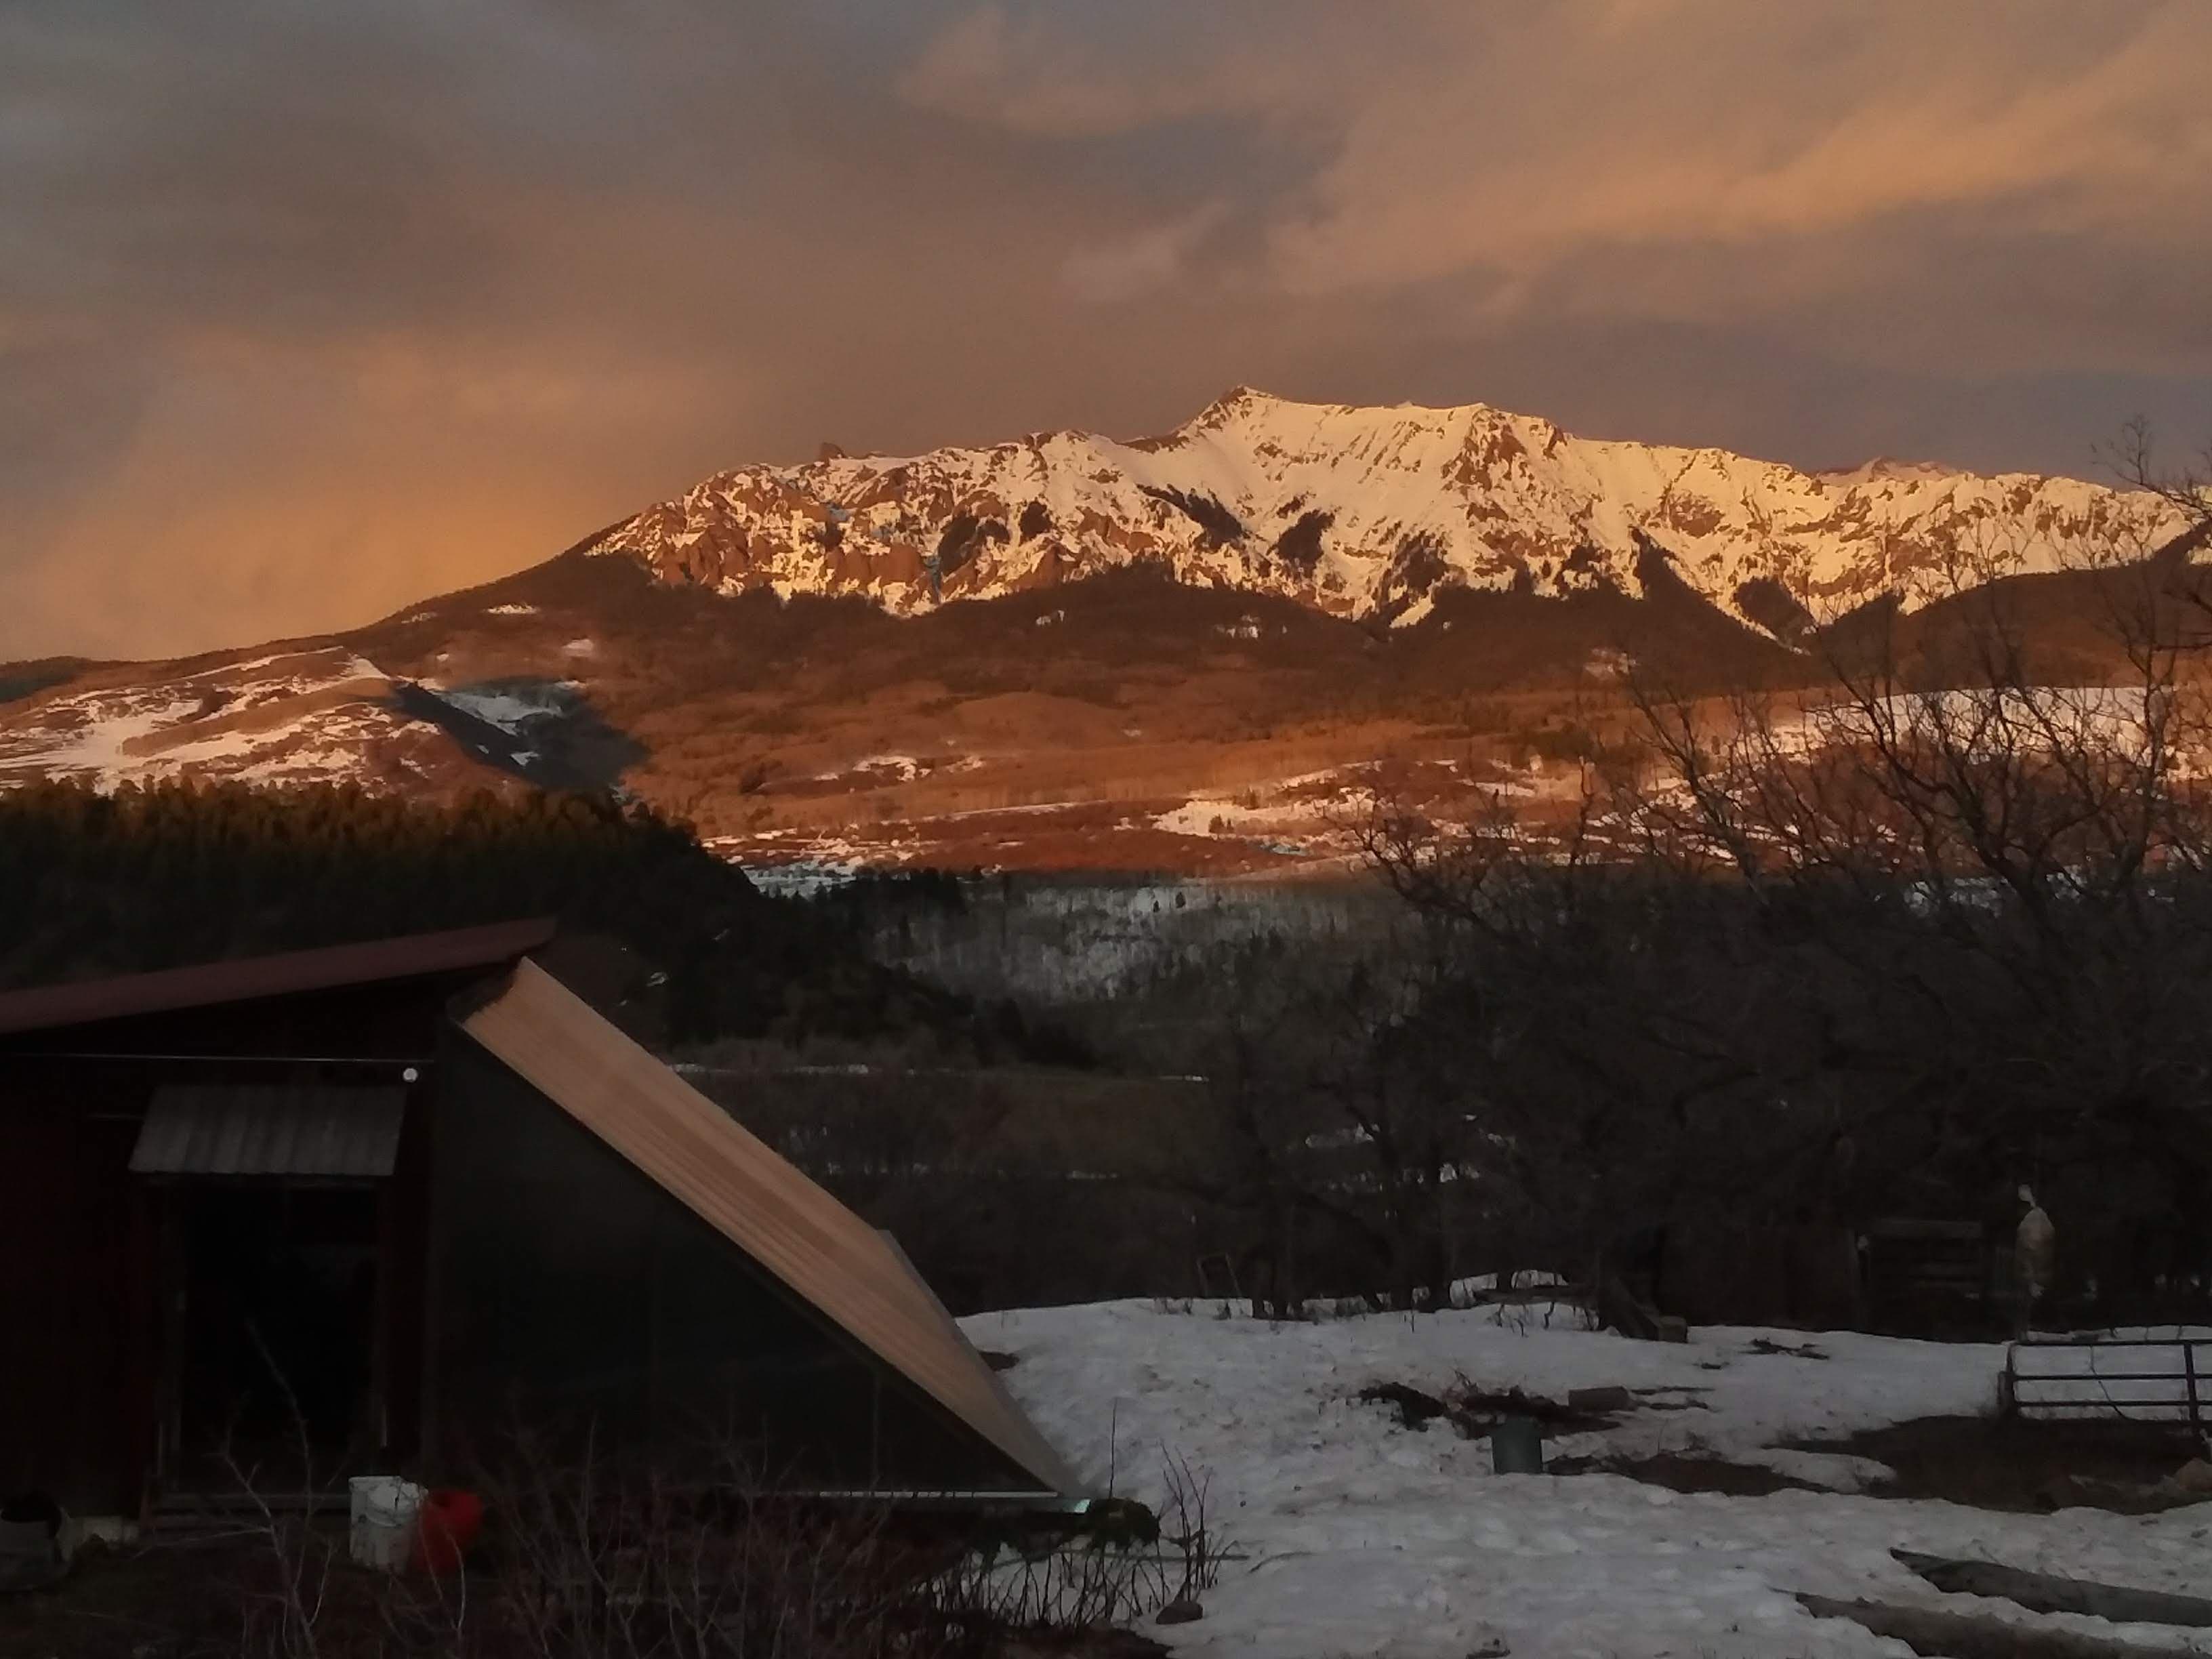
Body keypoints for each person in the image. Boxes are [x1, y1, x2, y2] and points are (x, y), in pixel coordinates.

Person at [2015, 1184, 2055, 1336]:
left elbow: (2033, 1251)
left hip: (2034, 1280)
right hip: (2034, 1278)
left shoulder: (2034, 1221)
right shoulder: (2036, 1219)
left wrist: (2033, 1281)